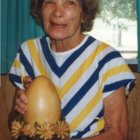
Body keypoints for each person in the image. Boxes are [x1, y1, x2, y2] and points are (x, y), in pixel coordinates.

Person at [9, 0, 135, 139]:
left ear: (84, 14)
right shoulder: (28, 52)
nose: (57, 13)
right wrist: (21, 111)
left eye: (70, 3)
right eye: (49, 2)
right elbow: (13, 123)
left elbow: (118, 134)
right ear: (40, 9)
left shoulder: (108, 60)